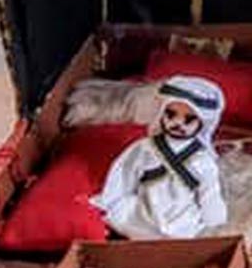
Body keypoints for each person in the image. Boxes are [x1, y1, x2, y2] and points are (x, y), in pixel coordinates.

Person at [91, 76, 229, 240]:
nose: (178, 123)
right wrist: (112, 200)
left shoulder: (202, 160)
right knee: (122, 216)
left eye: (189, 119)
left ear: (202, 123)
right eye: (171, 115)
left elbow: (209, 193)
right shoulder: (145, 148)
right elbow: (124, 174)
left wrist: (214, 221)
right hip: (143, 213)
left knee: (186, 234)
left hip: (182, 219)